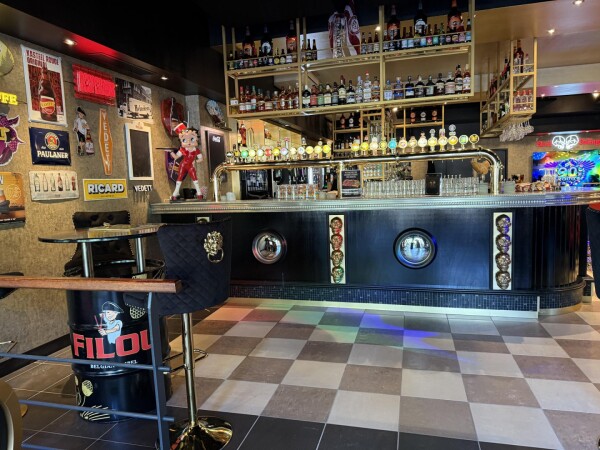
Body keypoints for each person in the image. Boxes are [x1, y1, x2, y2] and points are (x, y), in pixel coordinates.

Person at [170, 121, 203, 200]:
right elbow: (176, 157)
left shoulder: (196, 150)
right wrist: (171, 152)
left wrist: (195, 161)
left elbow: (201, 159)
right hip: (183, 165)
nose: (188, 142)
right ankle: (175, 193)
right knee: (179, 178)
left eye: (192, 139)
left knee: (195, 178)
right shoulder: (183, 150)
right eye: (184, 140)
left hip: (190, 166)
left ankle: (199, 193)